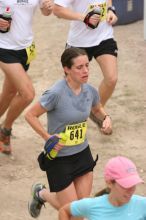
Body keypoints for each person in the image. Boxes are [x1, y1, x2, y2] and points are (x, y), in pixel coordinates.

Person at [25, 48, 112, 219]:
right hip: (59, 159)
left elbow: (96, 107)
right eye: (79, 67)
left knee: (80, 212)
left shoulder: (90, 91)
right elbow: (30, 115)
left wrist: (106, 117)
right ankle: (41, 194)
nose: (85, 70)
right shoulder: (56, 93)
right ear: (66, 69)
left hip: (82, 155)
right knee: (72, 212)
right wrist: (47, 137)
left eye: (87, 65)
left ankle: (40, 195)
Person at [0, 0, 53, 155]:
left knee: (9, 94)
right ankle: (6, 129)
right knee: (27, 94)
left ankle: (4, 131)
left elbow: (45, 11)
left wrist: (48, 7)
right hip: (4, 48)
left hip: (26, 49)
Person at [53, 0, 118, 127]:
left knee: (111, 79)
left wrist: (111, 11)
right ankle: (68, 120)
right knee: (72, 86)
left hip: (104, 37)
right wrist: (83, 17)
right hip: (78, 41)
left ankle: (95, 110)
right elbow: (57, 9)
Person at [58, 156, 145, 220]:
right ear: (109, 183)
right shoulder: (92, 205)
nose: (130, 191)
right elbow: (64, 211)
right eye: (125, 185)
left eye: (133, 184)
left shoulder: (143, 204)